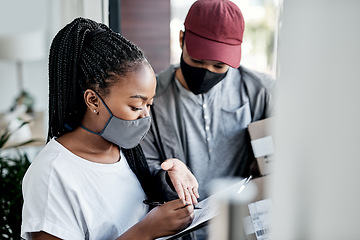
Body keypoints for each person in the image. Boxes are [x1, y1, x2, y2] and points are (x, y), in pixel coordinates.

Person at [21, 17, 200, 240]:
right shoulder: (51, 175)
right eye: (136, 106)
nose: (145, 116)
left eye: (149, 104)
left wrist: (170, 180)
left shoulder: (123, 149)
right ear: (93, 101)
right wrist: (145, 231)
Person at [141, 0, 275, 238]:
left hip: (240, 229)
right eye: (197, 61)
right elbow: (146, 170)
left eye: (218, 65)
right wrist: (170, 175)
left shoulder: (258, 92)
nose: (206, 72)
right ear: (182, 40)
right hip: (181, 232)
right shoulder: (152, 99)